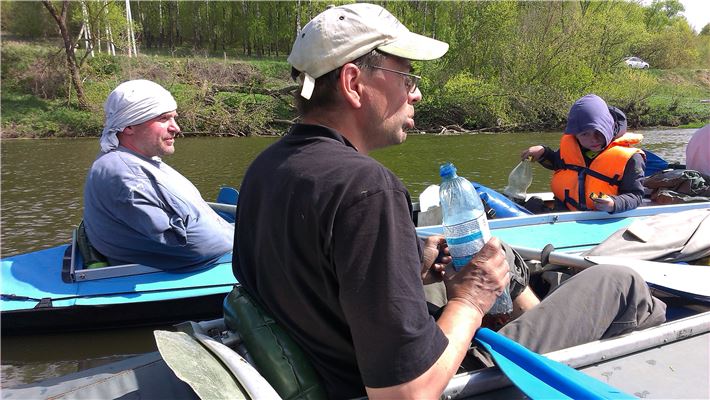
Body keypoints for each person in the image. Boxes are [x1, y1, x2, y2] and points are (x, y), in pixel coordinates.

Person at [233, 4, 666, 399]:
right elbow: (406, 394)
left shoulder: (265, 169)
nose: (416, 94)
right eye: (407, 78)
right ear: (353, 82)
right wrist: (471, 300)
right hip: (449, 382)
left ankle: (538, 329)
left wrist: (409, 265)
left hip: (342, 370)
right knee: (620, 283)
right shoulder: (365, 188)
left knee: (498, 254)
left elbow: (319, 286)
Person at [83, 79, 233, 269]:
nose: (176, 128)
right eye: (163, 119)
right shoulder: (128, 176)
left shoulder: (134, 160)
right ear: (128, 126)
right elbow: (198, 246)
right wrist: (246, 240)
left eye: (174, 118)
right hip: (192, 267)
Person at [522, 94, 646, 213]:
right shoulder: (575, 146)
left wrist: (614, 203)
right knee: (530, 205)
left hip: (602, 217)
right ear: (575, 135)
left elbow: (635, 195)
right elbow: (559, 164)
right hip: (564, 212)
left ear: (609, 126)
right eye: (585, 134)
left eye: (598, 132)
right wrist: (543, 153)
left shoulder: (632, 159)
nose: (593, 139)